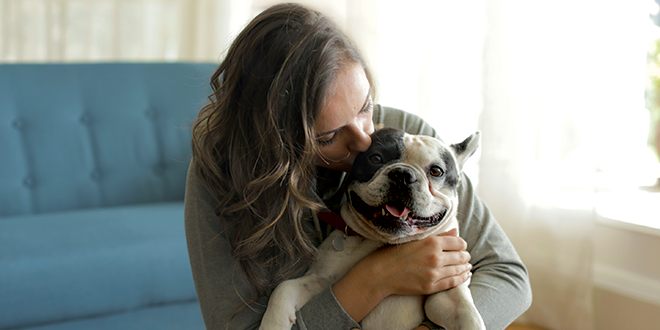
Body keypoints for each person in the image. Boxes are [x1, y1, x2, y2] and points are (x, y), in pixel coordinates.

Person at [185, 3, 531, 330]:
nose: (366, 140)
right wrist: (374, 280)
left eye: (365, 107)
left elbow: (508, 275)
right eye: (329, 135)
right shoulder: (221, 177)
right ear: (278, 141)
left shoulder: (415, 143)